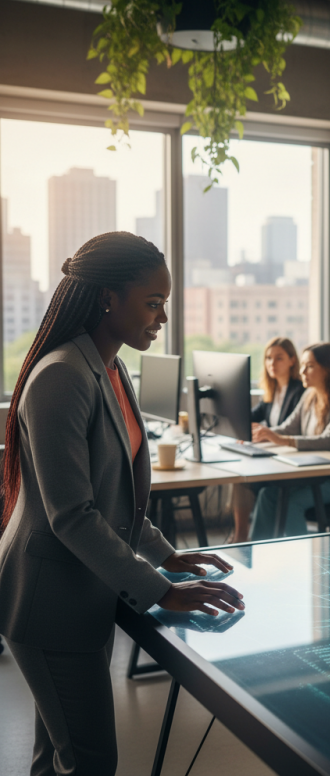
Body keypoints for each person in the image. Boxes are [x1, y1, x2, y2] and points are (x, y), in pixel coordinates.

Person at [0, 231, 244, 776]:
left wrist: (166, 555)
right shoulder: (63, 375)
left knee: (59, 757)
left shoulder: (109, 368)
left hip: (80, 592)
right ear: (109, 296)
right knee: (89, 762)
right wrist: (163, 591)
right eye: (152, 302)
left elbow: (114, 494)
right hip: (48, 603)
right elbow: (72, 514)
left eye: (166, 304)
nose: (161, 317)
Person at [249, 342, 330, 539]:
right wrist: (262, 435)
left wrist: (282, 439)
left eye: (309, 366)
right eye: (302, 365)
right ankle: (256, 556)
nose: (302, 371)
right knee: (268, 494)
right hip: (314, 474)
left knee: (292, 503)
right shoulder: (309, 395)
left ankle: (302, 562)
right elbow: (287, 428)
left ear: (328, 369)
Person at [226, 337, 305, 543]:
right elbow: (247, 418)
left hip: (288, 460)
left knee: (242, 478)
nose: (272, 363)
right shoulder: (271, 393)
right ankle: (240, 536)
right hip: (273, 456)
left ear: (292, 361)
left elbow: (290, 429)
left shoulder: (299, 391)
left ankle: (243, 537)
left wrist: (265, 432)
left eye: (279, 358)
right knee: (238, 475)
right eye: (269, 358)